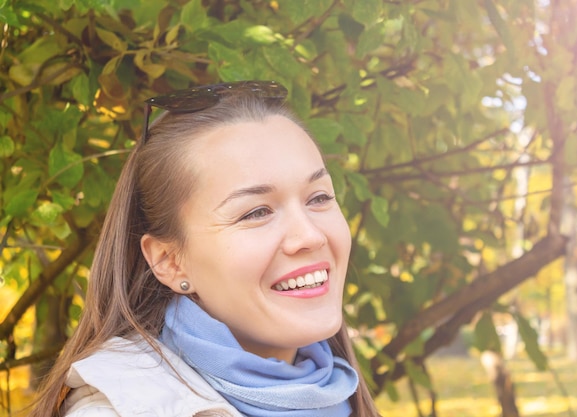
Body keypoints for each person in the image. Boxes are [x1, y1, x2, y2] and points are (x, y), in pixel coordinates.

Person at [28, 80, 381, 417]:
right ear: (170, 262)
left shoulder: (335, 396)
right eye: (256, 212)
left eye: (318, 197)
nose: (310, 236)